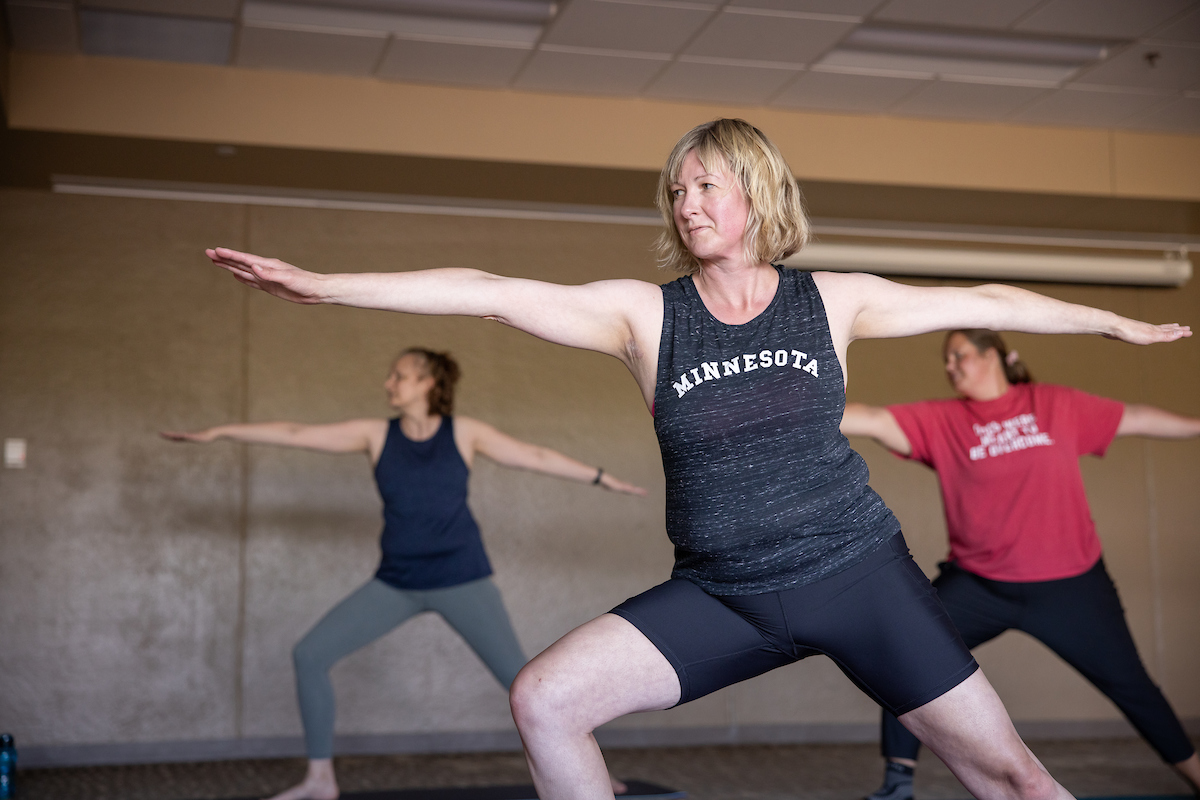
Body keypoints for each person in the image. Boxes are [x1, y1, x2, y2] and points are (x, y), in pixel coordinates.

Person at [203, 118, 1191, 800]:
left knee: (1006, 774)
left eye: (705, 182)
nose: (686, 201)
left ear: (756, 189)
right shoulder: (644, 314)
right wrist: (326, 286)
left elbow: (993, 299)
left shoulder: (833, 299)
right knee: (544, 696)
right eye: (675, 189)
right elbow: (487, 288)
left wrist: (1112, 322)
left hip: (859, 579)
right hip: (723, 594)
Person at [163, 348, 645, 800]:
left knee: (527, 683)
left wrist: (601, 478)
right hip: (396, 583)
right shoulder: (376, 435)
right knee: (310, 654)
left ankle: (594, 772)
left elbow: (534, 456)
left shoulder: (463, 432)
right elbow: (295, 433)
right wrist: (221, 432)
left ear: (428, 382)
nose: (388, 382)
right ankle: (319, 779)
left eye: (399, 374)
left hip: (462, 580)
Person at [841, 329, 1200, 800]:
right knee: (909, 654)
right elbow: (870, 417)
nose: (950, 366)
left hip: (1071, 587)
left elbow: (1131, 416)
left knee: (1134, 688)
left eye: (959, 356)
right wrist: (769, 408)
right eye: (946, 359)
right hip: (978, 587)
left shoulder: (1053, 405)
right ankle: (897, 785)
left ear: (993, 357)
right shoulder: (941, 421)